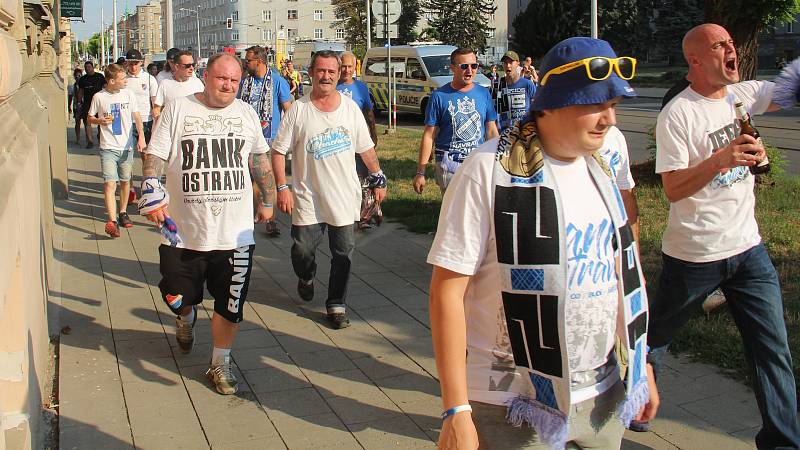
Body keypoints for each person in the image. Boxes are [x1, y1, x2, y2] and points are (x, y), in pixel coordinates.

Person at [427, 37, 658, 450]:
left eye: (614, 106)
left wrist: (643, 366)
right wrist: (456, 409)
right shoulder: (488, 171)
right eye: (595, 104)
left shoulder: (602, 170)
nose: (609, 119)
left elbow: (625, 269)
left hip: (603, 395)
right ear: (551, 103)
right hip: (512, 402)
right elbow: (447, 288)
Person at [650, 23, 800, 448]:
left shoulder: (743, 96)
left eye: (731, 42)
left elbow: (792, 88)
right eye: (720, 45)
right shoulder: (678, 113)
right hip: (694, 255)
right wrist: (720, 159)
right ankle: (635, 403)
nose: (731, 49)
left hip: (748, 250)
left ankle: (783, 442)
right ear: (696, 60)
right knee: (655, 339)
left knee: (772, 351)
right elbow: (673, 189)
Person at [139, 52, 275, 395]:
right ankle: (185, 316)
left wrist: (269, 197)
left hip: (235, 233)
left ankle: (220, 363)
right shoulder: (179, 109)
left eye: (233, 80)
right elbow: (154, 154)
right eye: (220, 78)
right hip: (183, 232)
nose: (227, 85)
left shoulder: (245, 113)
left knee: (231, 303)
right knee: (176, 293)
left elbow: (259, 157)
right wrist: (152, 191)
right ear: (207, 76)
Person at [271, 50, 387, 330]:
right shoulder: (298, 110)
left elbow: (365, 148)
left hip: (344, 197)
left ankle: (336, 303)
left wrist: (378, 177)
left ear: (339, 74)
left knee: (343, 254)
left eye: (331, 72)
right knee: (302, 251)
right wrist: (281, 187)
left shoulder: (349, 110)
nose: (326, 76)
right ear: (311, 73)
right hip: (307, 196)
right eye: (321, 71)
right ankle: (307, 276)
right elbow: (277, 152)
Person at [413, 47, 499, 194]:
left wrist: (498, 162)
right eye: (464, 66)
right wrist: (421, 172)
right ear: (452, 68)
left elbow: (491, 130)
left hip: (477, 163)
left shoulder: (483, 94)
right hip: (449, 165)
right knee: (454, 213)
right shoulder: (439, 96)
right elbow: (429, 135)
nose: (470, 70)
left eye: (474, 66)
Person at [238, 45, 292, 237]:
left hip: (270, 139)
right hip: (246, 141)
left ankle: (271, 220)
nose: (245, 63)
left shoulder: (277, 81)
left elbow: (288, 110)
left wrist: (285, 139)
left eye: (248, 60)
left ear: (259, 61)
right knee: (251, 180)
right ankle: (261, 208)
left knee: (268, 181)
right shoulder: (245, 82)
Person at [87, 63, 146, 237]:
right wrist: (100, 121)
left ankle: (122, 212)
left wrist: (141, 136)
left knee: (125, 181)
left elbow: (136, 116)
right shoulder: (99, 97)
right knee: (109, 183)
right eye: (122, 79)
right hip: (108, 147)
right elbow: (90, 118)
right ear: (111, 81)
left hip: (126, 146)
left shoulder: (128, 94)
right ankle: (112, 221)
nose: (126, 81)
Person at [336, 51, 380, 230]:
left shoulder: (361, 88)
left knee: (362, 177)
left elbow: (368, 113)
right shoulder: (333, 86)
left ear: (355, 68)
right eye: (344, 66)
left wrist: (373, 134)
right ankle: (342, 212)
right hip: (337, 142)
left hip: (358, 141)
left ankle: (364, 216)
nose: (347, 70)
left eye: (350, 67)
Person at [152, 50, 205, 120]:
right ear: (177, 66)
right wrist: (158, 123)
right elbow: (157, 109)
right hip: (173, 128)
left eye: (193, 64)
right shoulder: (165, 84)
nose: (191, 68)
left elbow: (206, 104)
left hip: (195, 127)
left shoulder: (197, 83)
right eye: (187, 65)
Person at [493, 50, 537, 133]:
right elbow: (493, 112)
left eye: (511, 62)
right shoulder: (498, 86)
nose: (508, 65)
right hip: (505, 134)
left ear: (518, 64)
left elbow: (536, 108)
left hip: (525, 132)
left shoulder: (527, 84)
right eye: (505, 63)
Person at [123, 49, 158, 143]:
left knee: (145, 152)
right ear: (126, 63)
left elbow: (154, 101)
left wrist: (156, 120)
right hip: (127, 120)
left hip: (145, 119)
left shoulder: (150, 79)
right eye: (131, 64)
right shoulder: (122, 79)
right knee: (127, 151)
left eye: (136, 63)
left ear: (141, 63)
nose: (133, 67)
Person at [77, 61, 106, 148]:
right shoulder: (83, 79)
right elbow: (81, 92)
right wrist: (79, 102)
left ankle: (100, 137)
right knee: (87, 122)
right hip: (87, 103)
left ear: (92, 67)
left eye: (89, 67)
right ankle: (90, 141)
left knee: (100, 121)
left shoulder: (100, 77)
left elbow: (105, 87)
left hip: (100, 103)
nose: (87, 69)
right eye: (86, 67)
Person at [71, 67, 84, 142]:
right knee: (77, 122)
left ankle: (88, 139)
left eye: (79, 76)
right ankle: (78, 138)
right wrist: (69, 106)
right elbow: (70, 96)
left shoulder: (84, 84)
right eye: (76, 76)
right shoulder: (73, 86)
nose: (78, 77)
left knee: (86, 122)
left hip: (84, 104)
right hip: (76, 106)